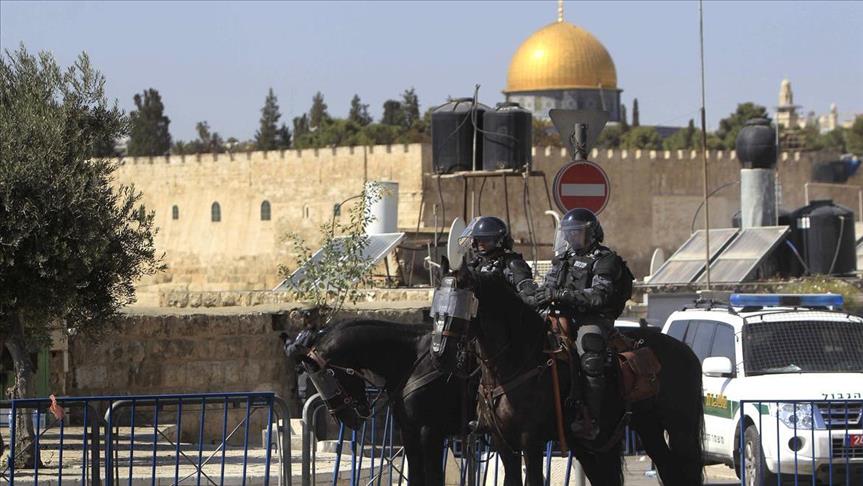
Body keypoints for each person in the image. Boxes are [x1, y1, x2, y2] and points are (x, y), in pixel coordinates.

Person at [534, 208, 633, 439]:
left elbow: (599, 296)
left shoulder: (605, 260)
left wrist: (561, 295)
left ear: (591, 233)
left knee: (590, 354)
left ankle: (591, 418)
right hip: (560, 316)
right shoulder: (563, 259)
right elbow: (548, 286)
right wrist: (534, 296)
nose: (571, 236)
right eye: (568, 232)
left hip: (592, 318)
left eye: (576, 232)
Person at [458, 216, 538, 302]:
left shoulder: (513, 264)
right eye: (478, 239)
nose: (481, 244)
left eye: (486, 240)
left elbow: (529, 294)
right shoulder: (476, 263)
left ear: (499, 241)